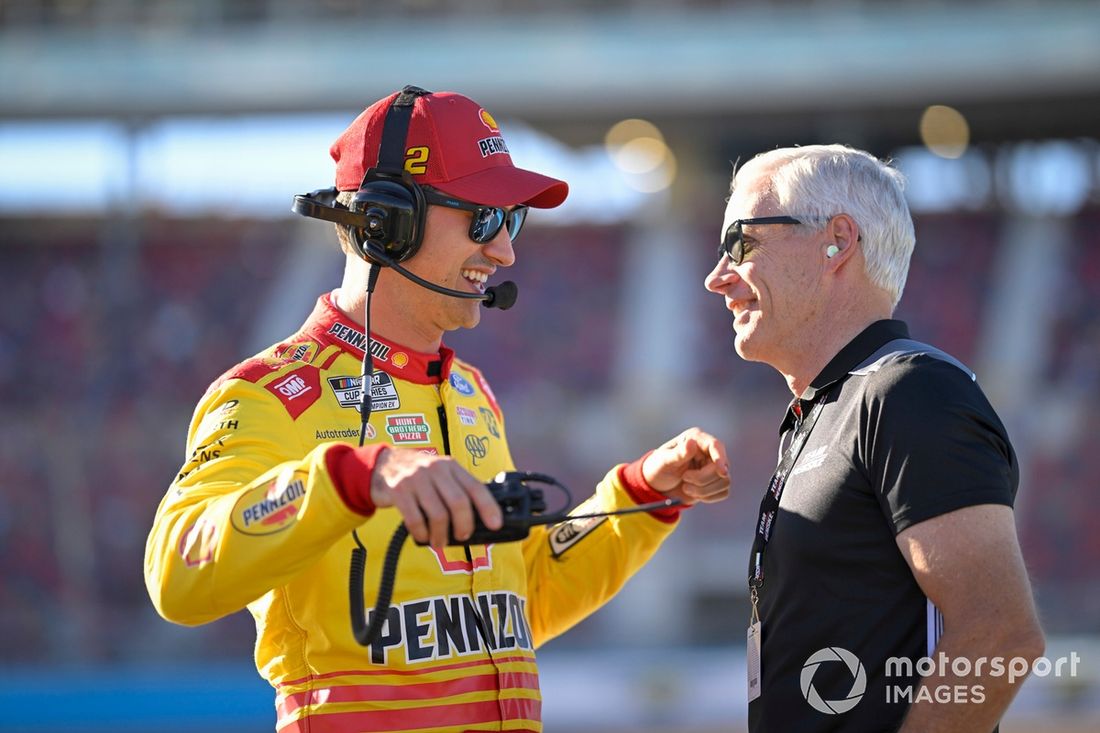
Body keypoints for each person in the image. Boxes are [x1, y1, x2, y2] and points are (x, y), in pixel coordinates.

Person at [144, 86, 730, 733]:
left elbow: (521, 598)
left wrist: (641, 495)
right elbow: (178, 573)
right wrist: (349, 478)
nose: (505, 250)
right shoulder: (265, 393)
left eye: (514, 221)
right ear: (385, 222)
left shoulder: (470, 392)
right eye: (483, 219)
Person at [703, 144, 1044, 732]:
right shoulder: (830, 407)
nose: (717, 278)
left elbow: (1001, 636)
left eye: (742, 242)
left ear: (837, 241)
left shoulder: (909, 392)